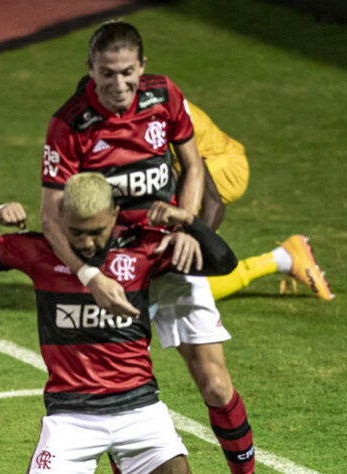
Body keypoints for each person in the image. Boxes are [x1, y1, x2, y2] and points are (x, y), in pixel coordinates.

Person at [39, 21, 254, 473]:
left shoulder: (164, 97)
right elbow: (50, 217)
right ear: (90, 69)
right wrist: (89, 275)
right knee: (117, 400)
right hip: (116, 274)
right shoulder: (69, 125)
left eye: (127, 72)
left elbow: (194, 167)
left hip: (168, 258)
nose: (118, 84)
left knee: (216, 386)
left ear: (143, 66)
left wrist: (184, 227)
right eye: (107, 74)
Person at [0, 173, 238, 473]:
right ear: (59, 217)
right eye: (76, 232)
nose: (86, 243)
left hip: (139, 410)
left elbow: (224, 262)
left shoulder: (143, 250)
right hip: (71, 419)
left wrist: (187, 221)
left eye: (96, 231)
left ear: (114, 214)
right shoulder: (39, 251)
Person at [184, 101, 333, 301]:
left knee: (187, 287)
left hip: (224, 168)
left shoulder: (160, 120)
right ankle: (284, 258)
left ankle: (282, 259)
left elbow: (212, 203)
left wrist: (195, 248)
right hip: (206, 162)